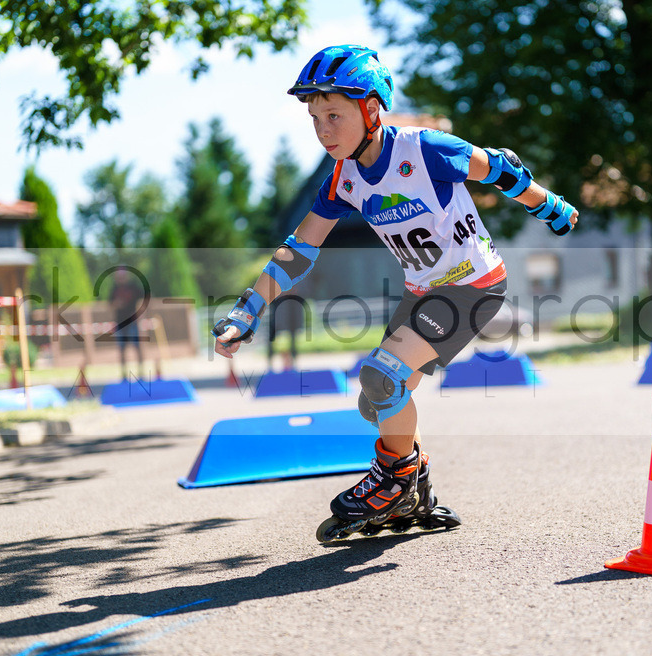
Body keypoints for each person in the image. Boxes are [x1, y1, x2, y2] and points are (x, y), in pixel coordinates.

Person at [213, 45, 578, 542]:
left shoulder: (425, 149)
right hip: (422, 292)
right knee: (379, 397)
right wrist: (248, 308)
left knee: (383, 379)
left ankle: (396, 482)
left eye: (334, 115)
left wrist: (550, 205)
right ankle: (416, 489)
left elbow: (500, 169)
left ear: (371, 109)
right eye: (315, 118)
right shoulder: (343, 179)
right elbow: (299, 250)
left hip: (473, 286)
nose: (323, 131)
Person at [108, 266, 146, 381]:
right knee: (122, 349)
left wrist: (141, 313)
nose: (121, 278)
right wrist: (117, 304)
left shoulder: (133, 287)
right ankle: (124, 375)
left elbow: (144, 298)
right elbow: (110, 303)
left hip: (132, 322)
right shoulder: (114, 289)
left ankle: (141, 373)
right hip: (120, 323)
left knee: (137, 348)